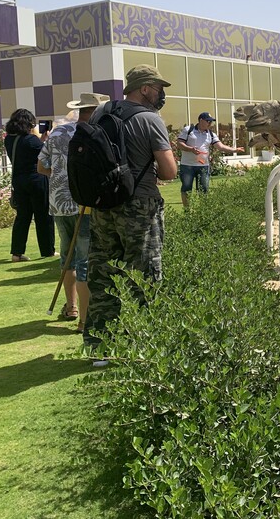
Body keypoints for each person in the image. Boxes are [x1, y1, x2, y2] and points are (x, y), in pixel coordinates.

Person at [83, 65, 177, 358]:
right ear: (146, 88)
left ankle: (100, 348)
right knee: (143, 276)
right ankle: (143, 349)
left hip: (103, 205)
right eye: (159, 88)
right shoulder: (150, 119)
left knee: (103, 274)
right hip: (139, 206)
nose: (161, 94)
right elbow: (170, 170)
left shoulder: (101, 112)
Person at [38, 93, 110, 332]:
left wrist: (60, 179)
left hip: (59, 205)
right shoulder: (97, 133)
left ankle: (72, 307)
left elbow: (41, 167)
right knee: (84, 262)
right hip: (85, 205)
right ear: (96, 111)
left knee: (67, 257)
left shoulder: (58, 132)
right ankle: (84, 321)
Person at [4, 108, 55, 262]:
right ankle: (47, 250)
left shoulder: (9, 140)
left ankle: (17, 253)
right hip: (36, 180)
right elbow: (45, 154)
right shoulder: (31, 140)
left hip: (19, 181)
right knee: (43, 216)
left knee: (22, 217)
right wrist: (44, 139)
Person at [176, 111, 244, 208]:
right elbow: (179, 144)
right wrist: (190, 149)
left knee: (204, 189)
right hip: (187, 166)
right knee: (186, 189)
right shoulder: (189, 130)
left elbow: (220, 146)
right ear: (201, 120)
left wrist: (234, 150)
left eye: (211, 122)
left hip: (203, 166)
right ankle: (187, 212)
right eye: (208, 121)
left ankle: (203, 211)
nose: (210, 123)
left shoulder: (211, 134)